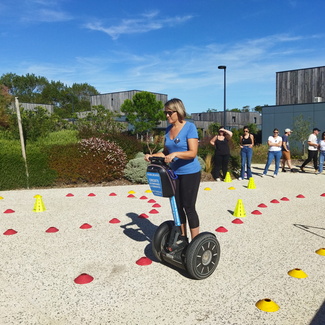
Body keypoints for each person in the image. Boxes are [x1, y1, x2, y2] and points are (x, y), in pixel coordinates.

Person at [144, 98, 201, 244]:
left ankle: (195, 243)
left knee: (189, 207)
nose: (167, 116)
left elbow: (193, 153)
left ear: (178, 111)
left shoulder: (190, 127)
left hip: (190, 173)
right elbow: (166, 152)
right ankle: (183, 238)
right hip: (174, 174)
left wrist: (176, 155)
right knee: (177, 206)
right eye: (165, 113)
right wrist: (152, 156)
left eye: (170, 113)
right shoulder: (168, 129)